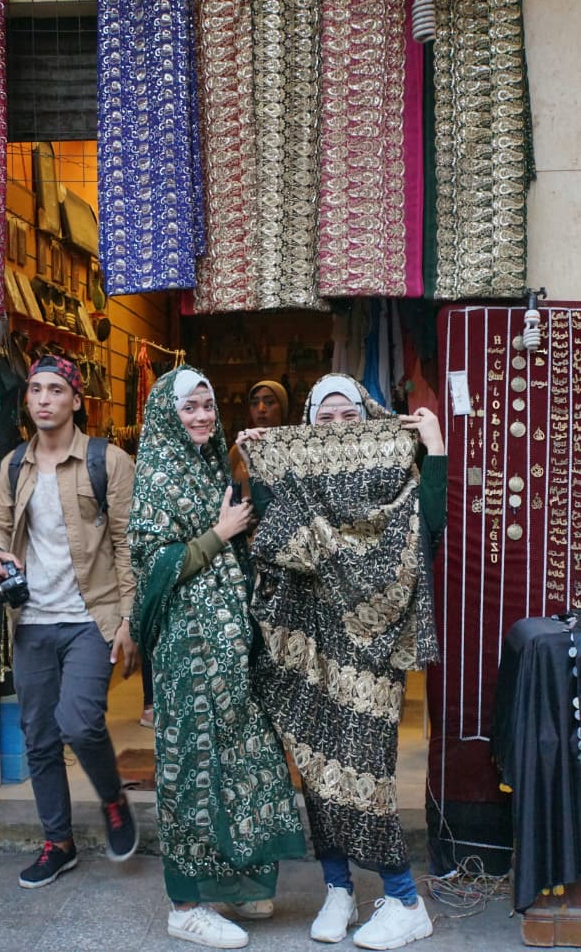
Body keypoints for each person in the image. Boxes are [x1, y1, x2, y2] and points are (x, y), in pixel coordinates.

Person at [235, 373, 447, 950]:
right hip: (310, 643)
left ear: (367, 420)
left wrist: (436, 451)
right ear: (307, 426)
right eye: (322, 420)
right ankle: (337, 888)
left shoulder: (393, 479)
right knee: (319, 767)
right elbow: (275, 540)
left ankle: (405, 898)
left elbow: (429, 525)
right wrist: (264, 466)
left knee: (365, 772)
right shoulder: (297, 474)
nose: (335, 429)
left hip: (371, 647)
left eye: (347, 418)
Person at [127, 365, 306, 950]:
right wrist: (217, 535)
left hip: (230, 652)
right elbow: (152, 568)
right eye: (189, 408)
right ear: (166, 417)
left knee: (242, 762)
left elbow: (252, 518)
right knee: (192, 773)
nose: (201, 415)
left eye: (207, 405)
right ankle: (185, 904)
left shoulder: (208, 465)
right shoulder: (156, 474)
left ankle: (239, 880)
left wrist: (250, 457)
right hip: (188, 656)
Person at [0, 354, 140, 889]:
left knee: (78, 722)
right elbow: (0, 528)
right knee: (40, 737)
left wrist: (127, 620)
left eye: (55, 389)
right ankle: (59, 842)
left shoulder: (109, 460)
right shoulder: (12, 466)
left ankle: (113, 798)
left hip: (89, 618)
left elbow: (127, 545)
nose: (43, 398)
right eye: (35, 389)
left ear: (76, 400)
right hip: (30, 621)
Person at [228, 380, 289, 495]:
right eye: (255, 403)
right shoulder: (238, 451)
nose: (261, 409)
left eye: (269, 402)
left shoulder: (294, 448)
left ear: (282, 407)